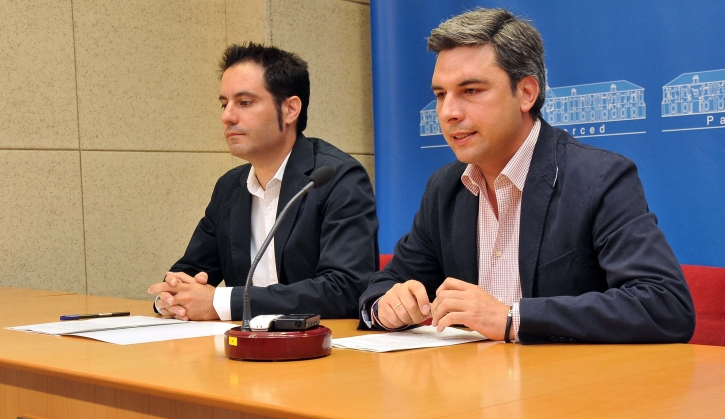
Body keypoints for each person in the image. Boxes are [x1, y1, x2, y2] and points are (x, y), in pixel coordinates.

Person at [359, 8, 694, 344]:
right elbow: (385, 285)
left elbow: (664, 305)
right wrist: (385, 306)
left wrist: (511, 318)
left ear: (526, 93)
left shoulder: (598, 179)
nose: (448, 113)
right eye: (440, 95)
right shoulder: (445, 188)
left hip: (572, 377)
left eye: (471, 91)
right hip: (472, 377)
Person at [149, 43, 378, 322]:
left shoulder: (335, 178)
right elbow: (189, 272)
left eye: (244, 103)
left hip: (322, 344)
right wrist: (171, 298)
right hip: (245, 343)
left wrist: (222, 302)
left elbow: (345, 289)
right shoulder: (229, 187)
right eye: (224, 103)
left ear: (290, 109)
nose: (227, 117)